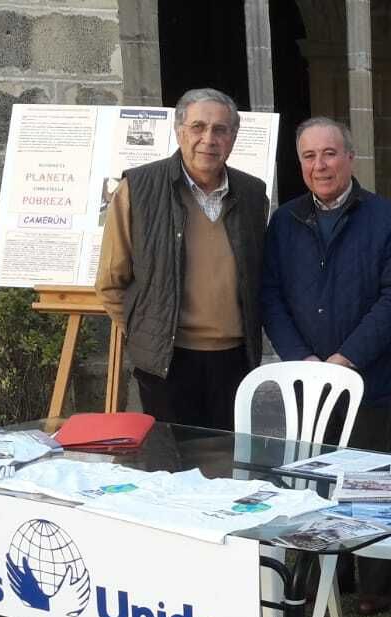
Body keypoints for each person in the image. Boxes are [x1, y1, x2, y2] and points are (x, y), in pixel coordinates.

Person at [262, 117, 391, 615]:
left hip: (368, 377)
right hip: (309, 382)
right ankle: (320, 569)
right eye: (309, 156)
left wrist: (346, 358)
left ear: (351, 157)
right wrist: (304, 361)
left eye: (330, 154)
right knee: (312, 482)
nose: (320, 165)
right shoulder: (283, 222)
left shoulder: (387, 218)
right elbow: (270, 296)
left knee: (370, 479)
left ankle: (374, 582)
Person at [95, 88, 268, 430]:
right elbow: (110, 282)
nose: (209, 139)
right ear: (179, 131)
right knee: (171, 467)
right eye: (198, 127)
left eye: (220, 129)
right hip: (168, 361)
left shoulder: (252, 194)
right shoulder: (139, 188)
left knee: (226, 466)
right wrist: (148, 330)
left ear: (233, 137)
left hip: (234, 361)